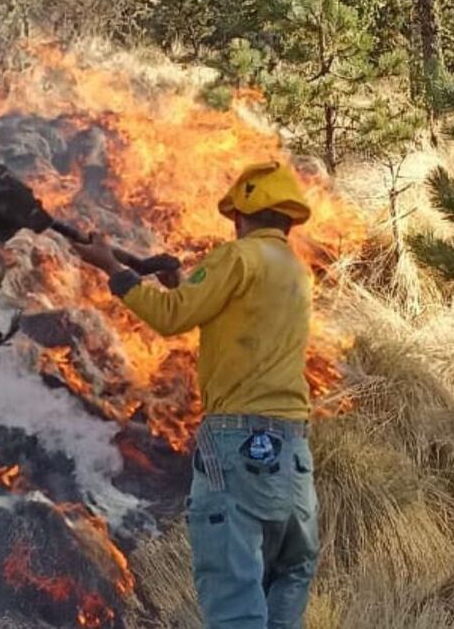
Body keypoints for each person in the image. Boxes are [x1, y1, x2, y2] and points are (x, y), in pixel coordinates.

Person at [71, 161, 319, 629]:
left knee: (234, 595)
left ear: (241, 216)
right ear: (287, 219)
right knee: (288, 576)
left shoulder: (237, 257)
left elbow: (170, 318)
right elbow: (233, 318)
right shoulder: (294, 273)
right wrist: (183, 287)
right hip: (292, 454)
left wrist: (111, 269)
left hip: (238, 444)